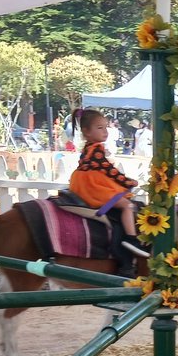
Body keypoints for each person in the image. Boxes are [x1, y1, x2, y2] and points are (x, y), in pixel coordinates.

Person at [67, 108, 144, 270]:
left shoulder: (88, 147)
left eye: (105, 127)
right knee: (127, 205)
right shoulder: (97, 149)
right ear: (87, 132)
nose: (105, 132)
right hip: (92, 185)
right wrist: (128, 182)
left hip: (82, 182)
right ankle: (131, 239)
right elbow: (109, 171)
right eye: (100, 128)